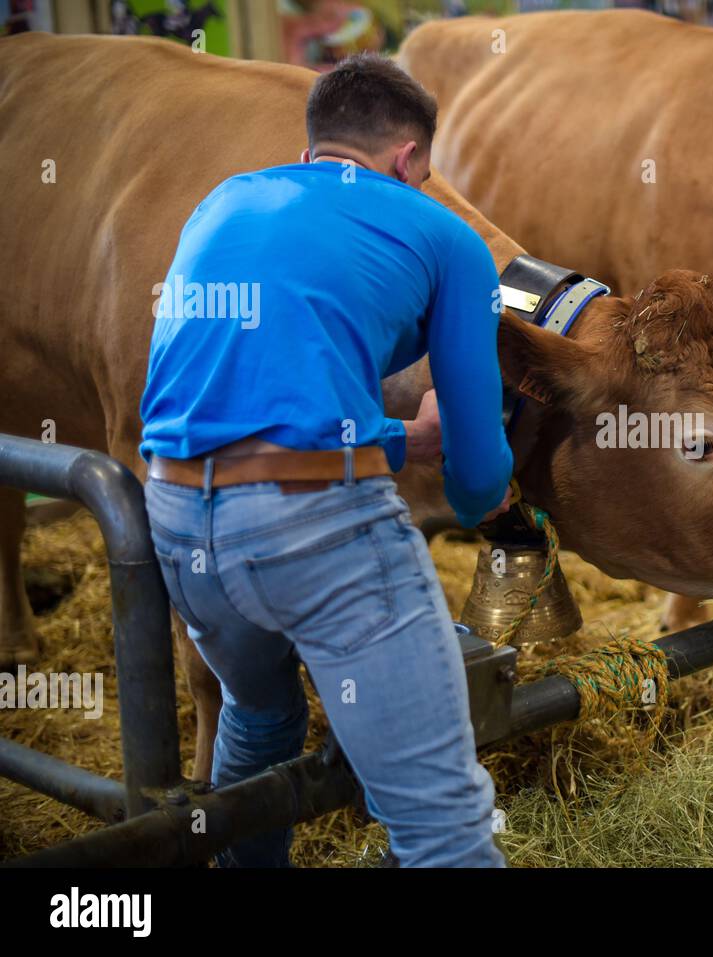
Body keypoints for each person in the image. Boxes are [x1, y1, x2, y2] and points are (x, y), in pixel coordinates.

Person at [139, 53, 514, 867]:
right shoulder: (448, 237)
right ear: (410, 160)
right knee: (444, 822)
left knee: (262, 717)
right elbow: (480, 479)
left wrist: (395, 440)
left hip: (174, 519)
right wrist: (476, 473)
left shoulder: (223, 199)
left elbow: (237, 408)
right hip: (316, 529)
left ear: (315, 145)